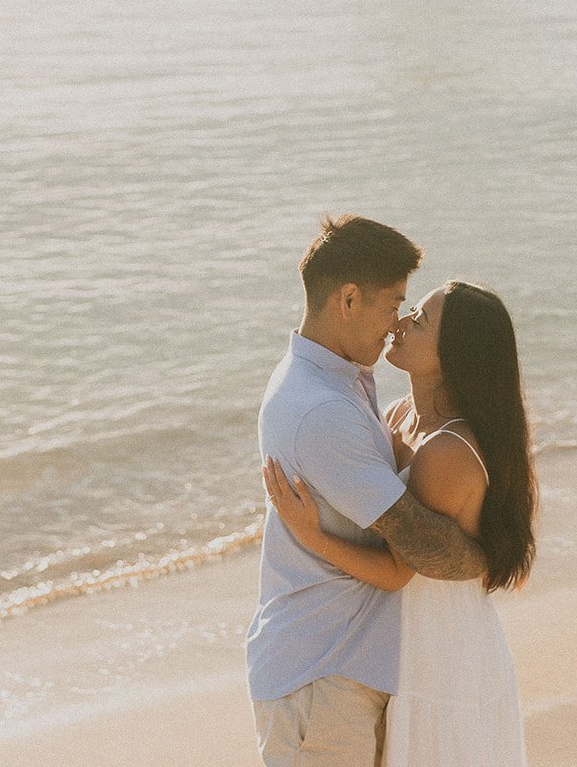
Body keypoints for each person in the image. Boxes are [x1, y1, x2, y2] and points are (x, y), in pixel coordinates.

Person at [246, 217, 489, 767]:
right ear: (348, 299)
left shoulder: (334, 380)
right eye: (393, 303)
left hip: (337, 665)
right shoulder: (323, 409)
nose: (398, 321)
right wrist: (486, 555)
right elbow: (416, 552)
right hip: (321, 673)